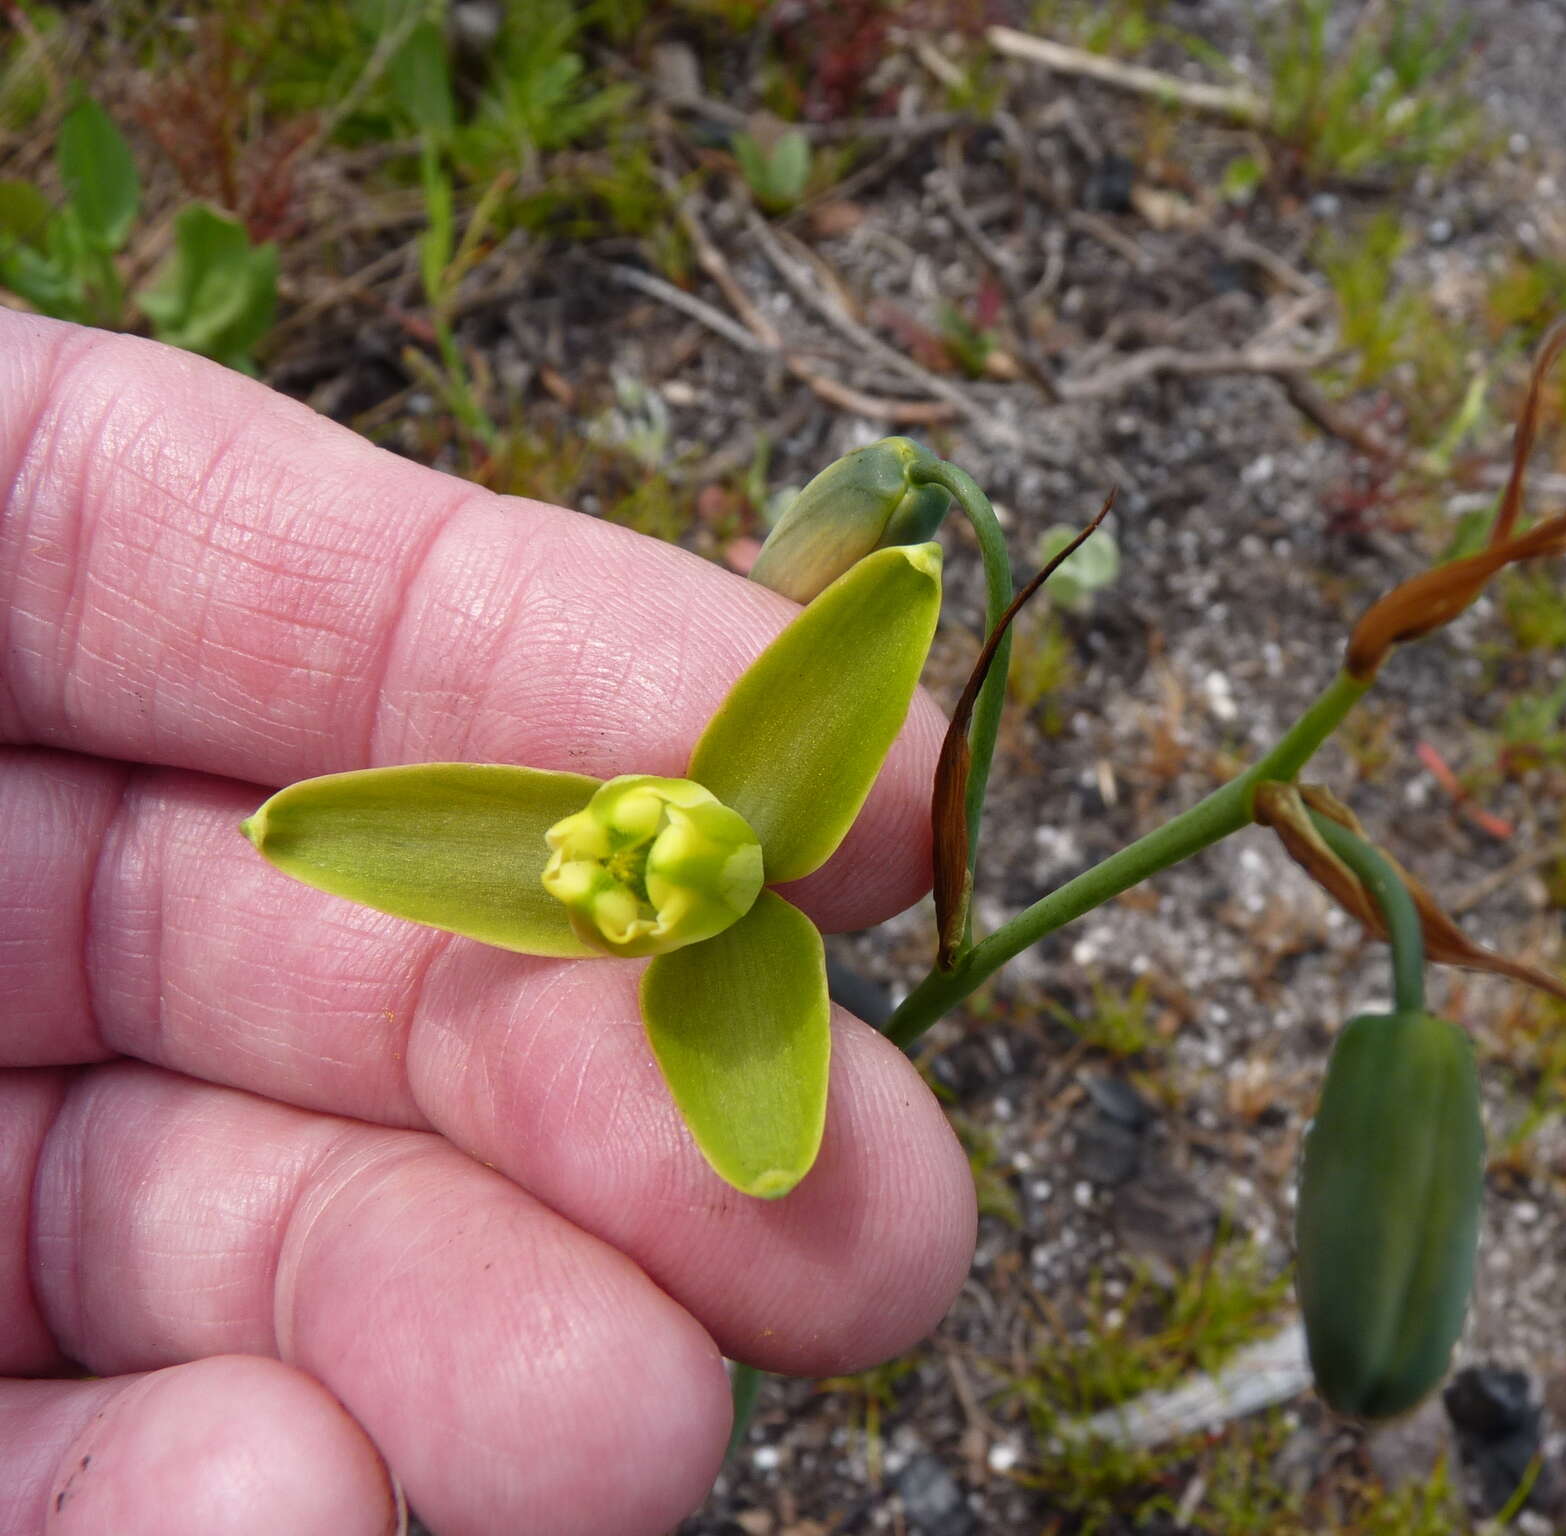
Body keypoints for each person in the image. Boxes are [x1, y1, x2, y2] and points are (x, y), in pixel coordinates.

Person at [0, 311, 977, 1536]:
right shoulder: (610, 874)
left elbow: (770, 1152)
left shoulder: (718, 858)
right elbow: (313, 833)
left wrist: (901, 579)